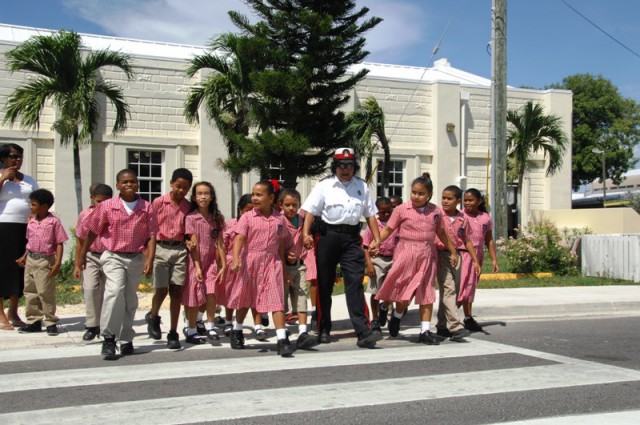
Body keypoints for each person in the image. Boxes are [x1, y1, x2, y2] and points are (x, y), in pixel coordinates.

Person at [301, 147, 383, 349]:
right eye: (341, 166)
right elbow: (311, 211)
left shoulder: (361, 187)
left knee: (354, 283)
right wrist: (305, 233)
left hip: (351, 239)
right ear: (335, 167)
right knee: (324, 284)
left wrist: (378, 239)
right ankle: (323, 327)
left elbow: (370, 215)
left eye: (349, 166)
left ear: (354, 167)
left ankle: (363, 331)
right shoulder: (324, 186)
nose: (345, 170)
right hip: (328, 236)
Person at [77, 169, 157, 360]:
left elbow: (151, 235)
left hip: (135, 257)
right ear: (117, 185)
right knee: (114, 293)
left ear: (138, 184)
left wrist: (149, 258)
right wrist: (82, 255)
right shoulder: (107, 206)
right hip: (113, 256)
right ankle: (109, 337)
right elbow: (92, 231)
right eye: (125, 182)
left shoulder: (146, 207)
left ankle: (126, 338)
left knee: (130, 299)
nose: (129, 185)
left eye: (133, 182)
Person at [375, 174, 458, 345]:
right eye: (413, 192)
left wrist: (453, 251)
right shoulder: (401, 210)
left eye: (420, 193)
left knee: (426, 292)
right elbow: (388, 229)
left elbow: (442, 233)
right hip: (406, 253)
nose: (416, 196)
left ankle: (425, 331)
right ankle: (391, 312)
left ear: (429, 195)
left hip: (427, 254)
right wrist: (375, 242)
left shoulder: (436, 212)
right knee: (402, 291)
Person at [230, 180, 296, 357]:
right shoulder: (247, 217)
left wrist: (285, 263)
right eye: (253, 194)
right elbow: (238, 239)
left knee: (277, 300)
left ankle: (282, 339)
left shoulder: (279, 219)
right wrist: (236, 259)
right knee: (246, 299)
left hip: (272, 262)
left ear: (271, 198)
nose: (255, 198)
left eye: (259, 195)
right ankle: (237, 330)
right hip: (250, 261)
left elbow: (283, 243)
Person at [146, 168, 193, 350]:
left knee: (176, 292)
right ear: (171, 183)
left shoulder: (188, 207)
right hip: (160, 248)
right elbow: (150, 229)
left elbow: (189, 230)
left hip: (179, 249)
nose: (181, 191)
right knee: (161, 290)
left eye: (185, 188)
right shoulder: (159, 202)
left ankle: (173, 332)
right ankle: (154, 316)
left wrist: (190, 243)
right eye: (178, 186)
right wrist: (148, 256)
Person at [16, 189, 68, 335]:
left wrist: (57, 263)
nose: (31, 207)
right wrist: (24, 256)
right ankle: (33, 321)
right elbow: (30, 242)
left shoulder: (54, 222)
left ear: (44, 206)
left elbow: (59, 243)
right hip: (31, 260)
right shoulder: (31, 221)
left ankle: (51, 322)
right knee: (30, 291)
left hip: (45, 261)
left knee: (45, 292)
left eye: (33, 205)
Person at [182, 181, 226, 344]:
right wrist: (198, 267)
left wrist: (223, 265)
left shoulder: (216, 218)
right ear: (194, 197)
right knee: (195, 295)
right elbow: (193, 245)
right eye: (199, 193)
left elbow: (220, 243)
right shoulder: (191, 218)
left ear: (212, 196)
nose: (203, 196)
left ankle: (210, 325)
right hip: (196, 261)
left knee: (211, 292)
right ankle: (191, 330)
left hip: (211, 261)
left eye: (206, 193)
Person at [435, 185, 480, 342]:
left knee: (450, 291)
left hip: (457, 257)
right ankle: (455, 326)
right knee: (449, 290)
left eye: (449, 198)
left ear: (457, 201)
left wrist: (475, 260)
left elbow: (467, 240)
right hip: (441, 255)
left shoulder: (463, 218)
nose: (445, 201)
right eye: (443, 198)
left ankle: (441, 325)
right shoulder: (438, 216)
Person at [0, 143, 38, 330]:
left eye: (20, 157)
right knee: (2, 268)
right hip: (3, 227)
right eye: (14, 156)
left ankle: (13, 311)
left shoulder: (28, 180)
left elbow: (36, 200)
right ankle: (0, 315)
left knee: (18, 269)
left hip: (25, 227)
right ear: (3, 158)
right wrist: (3, 178)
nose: (18, 160)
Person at [73, 183, 113, 341]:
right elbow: (80, 240)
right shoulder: (85, 215)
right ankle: (92, 325)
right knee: (90, 289)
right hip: (91, 256)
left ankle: (106, 324)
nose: (102, 205)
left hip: (110, 255)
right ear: (92, 199)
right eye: (99, 201)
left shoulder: (114, 213)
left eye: (106, 201)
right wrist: (78, 262)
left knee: (109, 291)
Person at [279, 188, 316, 350]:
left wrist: (308, 241)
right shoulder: (278, 221)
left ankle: (303, 331)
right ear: (280, 205)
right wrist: (285, 256)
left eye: (294, 205)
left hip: (299, 265)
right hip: (282, 266)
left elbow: (306, 237)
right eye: (287, 205)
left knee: (301, 296)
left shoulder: (302, 221)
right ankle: (283, 329)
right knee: (282, 298)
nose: (291, 208)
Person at [460, 188, 498, 332]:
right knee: (463, 286)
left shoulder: (485, 218)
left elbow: (488, 239)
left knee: (471, 287)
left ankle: (468, 317)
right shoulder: (461, 216)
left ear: (479, 201)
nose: (467, 203)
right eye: (465, 200)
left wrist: (494, 259)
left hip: (478, 255)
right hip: (463, 254)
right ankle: (449, 318)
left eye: (470, 200)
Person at [362, 197, 397, 330]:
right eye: (383, 212)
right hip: (377, 260)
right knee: (375, 292)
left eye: (389, 211)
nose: (387, 214)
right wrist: (369, 264)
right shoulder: (373, 225)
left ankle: (385, 307)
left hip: (394, 259)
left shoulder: (396, 224)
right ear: (377, 211)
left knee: (394, 290)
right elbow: (365, 246)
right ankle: (375, 319)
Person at [221, 194, 253, 337]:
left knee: (244, 294)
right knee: (229, 292)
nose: (250, 213)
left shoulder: (255, 223)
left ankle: (251, 322)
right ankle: (228, 320)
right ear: (240, 210)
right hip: (231, 262)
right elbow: (223, 243)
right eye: (247, 210)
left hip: (248, 261)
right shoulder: (231, 224)